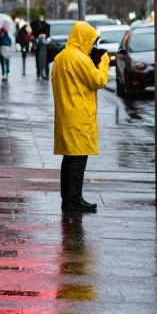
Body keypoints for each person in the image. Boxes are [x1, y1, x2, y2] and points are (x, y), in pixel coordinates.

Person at [51, 19, 110, 213]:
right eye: (91, 41)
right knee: (78, 160)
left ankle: (68, 198)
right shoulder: (79, 59)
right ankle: (74, 199)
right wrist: (104, 63)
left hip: (65, 114)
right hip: (79, 116)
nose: (92, 45)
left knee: (69, 159)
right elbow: (98, 81)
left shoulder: (61, 57)